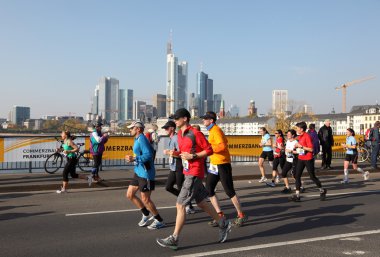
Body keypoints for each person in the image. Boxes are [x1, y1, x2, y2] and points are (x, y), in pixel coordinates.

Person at [156, 108, 232, 250]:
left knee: (180, 205)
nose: (175, 121)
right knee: (202, 203)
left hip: (195, 172)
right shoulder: (179, 134)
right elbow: (185, 153)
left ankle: (174, 238)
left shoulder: (195, 133)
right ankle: (223, 223)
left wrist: (194, 156)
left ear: (185, 118)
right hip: (187, 171)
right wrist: (175, 153)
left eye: (177, 118)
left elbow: (209, 149)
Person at [201, 111, 248, 227]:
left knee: (229, 191)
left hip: (222, 163)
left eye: (205, 119)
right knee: (209, 189)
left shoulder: (216, 130)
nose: (203, 120)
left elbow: (222, 146)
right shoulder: (212, 130)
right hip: (214, 164)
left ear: (211, 120)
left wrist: (209, 149)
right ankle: (219, 215)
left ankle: (241, 215)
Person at [125, 121, 166, 230]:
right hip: (138, 171)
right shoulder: (137, 138)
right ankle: (146, 214)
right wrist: (134, 158)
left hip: (146, 173)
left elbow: (149, 154)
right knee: (130, 195)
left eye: (131, 128)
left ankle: (159, 220)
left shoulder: (142, 139)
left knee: (146, 200)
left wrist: (134, 158)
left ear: (138, 129)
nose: (130, 130)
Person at [162, 120, 195, 214]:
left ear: (172, 128)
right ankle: (186, 202)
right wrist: (170, 153)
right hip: (173, 167)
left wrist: (169, 152)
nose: (165, 130)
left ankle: (188, 205)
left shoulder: (176, 138)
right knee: (168, 187)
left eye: (166, 128)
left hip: (179, 165)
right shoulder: (171, 138)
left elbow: (181, 153)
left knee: (181, 187)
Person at [290, 122, 327, 202]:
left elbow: (311, 149)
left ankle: (322, 190)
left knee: (312, 177)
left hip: (308, 159)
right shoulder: (300, 136)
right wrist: (296, 146)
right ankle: (297, 195)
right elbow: (300, 146)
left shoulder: (307, 136)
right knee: (297, 176)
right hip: (301, 158)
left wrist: (301, 146)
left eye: (297, 128)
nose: (296, 129)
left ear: (302, 129)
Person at [280, 129, 298, 194]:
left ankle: (300, 186)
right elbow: (286, 150)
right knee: (283, 173)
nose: (287, 135)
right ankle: (287, 187)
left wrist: (291, 151)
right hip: (288, 160)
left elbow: (300, 152)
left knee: (295, 175)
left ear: (293, 135)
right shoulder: (287, 141)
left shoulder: (296, 142)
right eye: (287, 134)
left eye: (289, 134)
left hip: (294, 160)